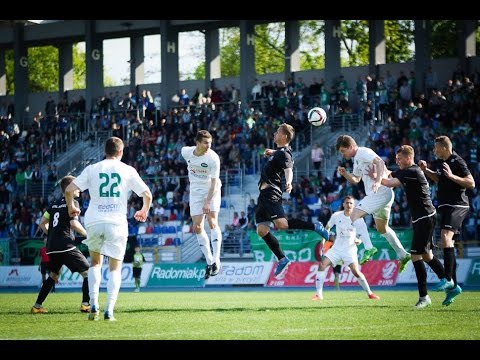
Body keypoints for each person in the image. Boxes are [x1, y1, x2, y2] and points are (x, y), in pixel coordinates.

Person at [65, 136, 152, 321]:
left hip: (94, 220)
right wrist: (144, 210)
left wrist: (71, 206)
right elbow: (147, 194)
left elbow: (69, 189)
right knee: (115, 268)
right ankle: (109, 310)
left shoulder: (92, 169)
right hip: (116, 222)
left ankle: (93, 305)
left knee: (95, 263)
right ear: (121, 152)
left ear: (105, 151)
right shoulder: (127, 170)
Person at [373, 145, 451, 308]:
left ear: (409, 158)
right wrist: (380, 166)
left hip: (425, 217)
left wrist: (374, 177)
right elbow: (389, 174)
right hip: (422, 218)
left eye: (400, 159)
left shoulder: (411, 172)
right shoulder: (407, 171)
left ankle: (424, 297)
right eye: (396, 159)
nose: (397, 161)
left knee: (415, 255)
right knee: (427, 255)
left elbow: (388, 182)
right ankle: (449, 282)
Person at [255, 123, 329, 279]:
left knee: (282, 225)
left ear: (284, 136)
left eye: (277, 132)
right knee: (261, 230)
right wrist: (273, 152)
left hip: (271, 193)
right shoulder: (281, 152)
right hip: (263, 196)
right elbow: (284, 155)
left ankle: (315, 226)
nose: (274, 134)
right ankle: (282, 258)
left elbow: (288, 169)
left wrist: (288, 182)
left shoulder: (284, 154)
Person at [335, 135, 410, 270]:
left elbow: (380, 162)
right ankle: (403, 254)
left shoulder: (363, 152)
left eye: (343, 151)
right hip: (381, 194)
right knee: (382, 229)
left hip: (379, 192)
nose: (342, 154)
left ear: (350, 147)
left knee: (353, 215)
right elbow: (356, 179)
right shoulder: (357, 159)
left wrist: (377, 180)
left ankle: (369, 248)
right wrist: (345, 173)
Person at [418, 136, 475, 306]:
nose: (434, 151)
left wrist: (451, 176)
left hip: (458, 205)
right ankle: (454, 287)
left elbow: (470, 183)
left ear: (443, 147)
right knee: (447, 242)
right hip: (447, 206)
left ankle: (448, 279)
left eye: (436, 148)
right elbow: (439, 178)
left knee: (445, 236)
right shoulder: (443, 163)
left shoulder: (457, 161)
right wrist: (426, 170)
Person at [31, 176, 89, 314]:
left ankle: (37, 306)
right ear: (70, 187)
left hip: (51, 247)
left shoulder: (53, 204)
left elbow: (42, 223)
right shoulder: (73, 202)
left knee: (53, 275)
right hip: (65, 244)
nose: (79, 189)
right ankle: (86, 304)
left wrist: (51, 235)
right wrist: (88, 235)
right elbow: (73, 224)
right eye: (77, 186)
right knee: (89, 273)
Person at [312, 196, 380, 300]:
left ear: (354, 205)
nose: (349, 205)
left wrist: (359, 241)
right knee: (322, 265)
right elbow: (327, 228)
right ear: (343, 204)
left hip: (350, 249)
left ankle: (370, 293)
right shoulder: (336, 216)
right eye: (347, 203)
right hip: (336, 248)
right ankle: (318, 295)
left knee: (356, 272)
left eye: (351, 203)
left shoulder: (358, 218)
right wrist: (323, 242)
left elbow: (363, 236)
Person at [181, 130, 222, 280]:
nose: (208, 146)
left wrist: (208, 202)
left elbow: (214, 183)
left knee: (212, 221)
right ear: (197, 143)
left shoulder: (213, 159)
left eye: (210, 143)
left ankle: (217, 260)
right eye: (205, 143)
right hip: (195, 192)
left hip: (212, 189)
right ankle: (210, 261)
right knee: (197, 226)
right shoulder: (186, 152)